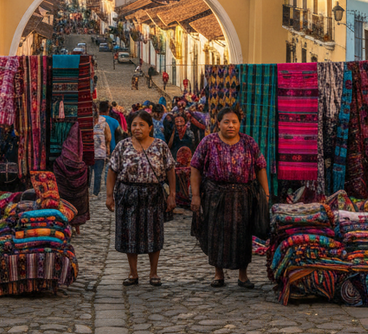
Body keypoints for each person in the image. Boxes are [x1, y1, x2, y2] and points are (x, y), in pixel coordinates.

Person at [190, 106, 270, 289]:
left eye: (234, 122)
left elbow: (260, 167)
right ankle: (218, 274)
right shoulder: (208, 142)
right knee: (216, 233)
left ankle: (243, 275)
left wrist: (265, 194)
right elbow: (195, 167)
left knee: (243, 235)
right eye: (226, 122)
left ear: (239, 124)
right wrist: (195, 195)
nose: (230, 125)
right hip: (215, 196)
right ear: (218, 123)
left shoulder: (249, 143)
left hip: (243, 196)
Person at [105, 111, 176, 287]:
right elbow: (112, 171)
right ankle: (133, 273)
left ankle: (153, 273)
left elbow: (170, 170)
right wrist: (109, 196)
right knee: (130, 233)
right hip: (127, 195)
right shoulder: (122, 146)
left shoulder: (160, 146)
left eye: (141, 125)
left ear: (150, 127)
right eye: (134, 125)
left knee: (154, 233)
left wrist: (172, 194)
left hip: (153, 195)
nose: (137, 128)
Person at [54, 121, 91, 234]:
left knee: (64, 199)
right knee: (78, 200)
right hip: (79, 170)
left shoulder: (59, 162)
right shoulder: (81, 166)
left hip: (62, 170)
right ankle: (77, 226)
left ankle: (64, 223)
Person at [91, 111, 112, 197]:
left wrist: (107, 147)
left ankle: (96, 192)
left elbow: (108, 137)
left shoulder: (104, 124)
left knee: (98, 174)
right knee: (88, 173)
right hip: (89, 152)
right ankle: (88, 189)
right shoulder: (87, 123)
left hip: (100, 152)